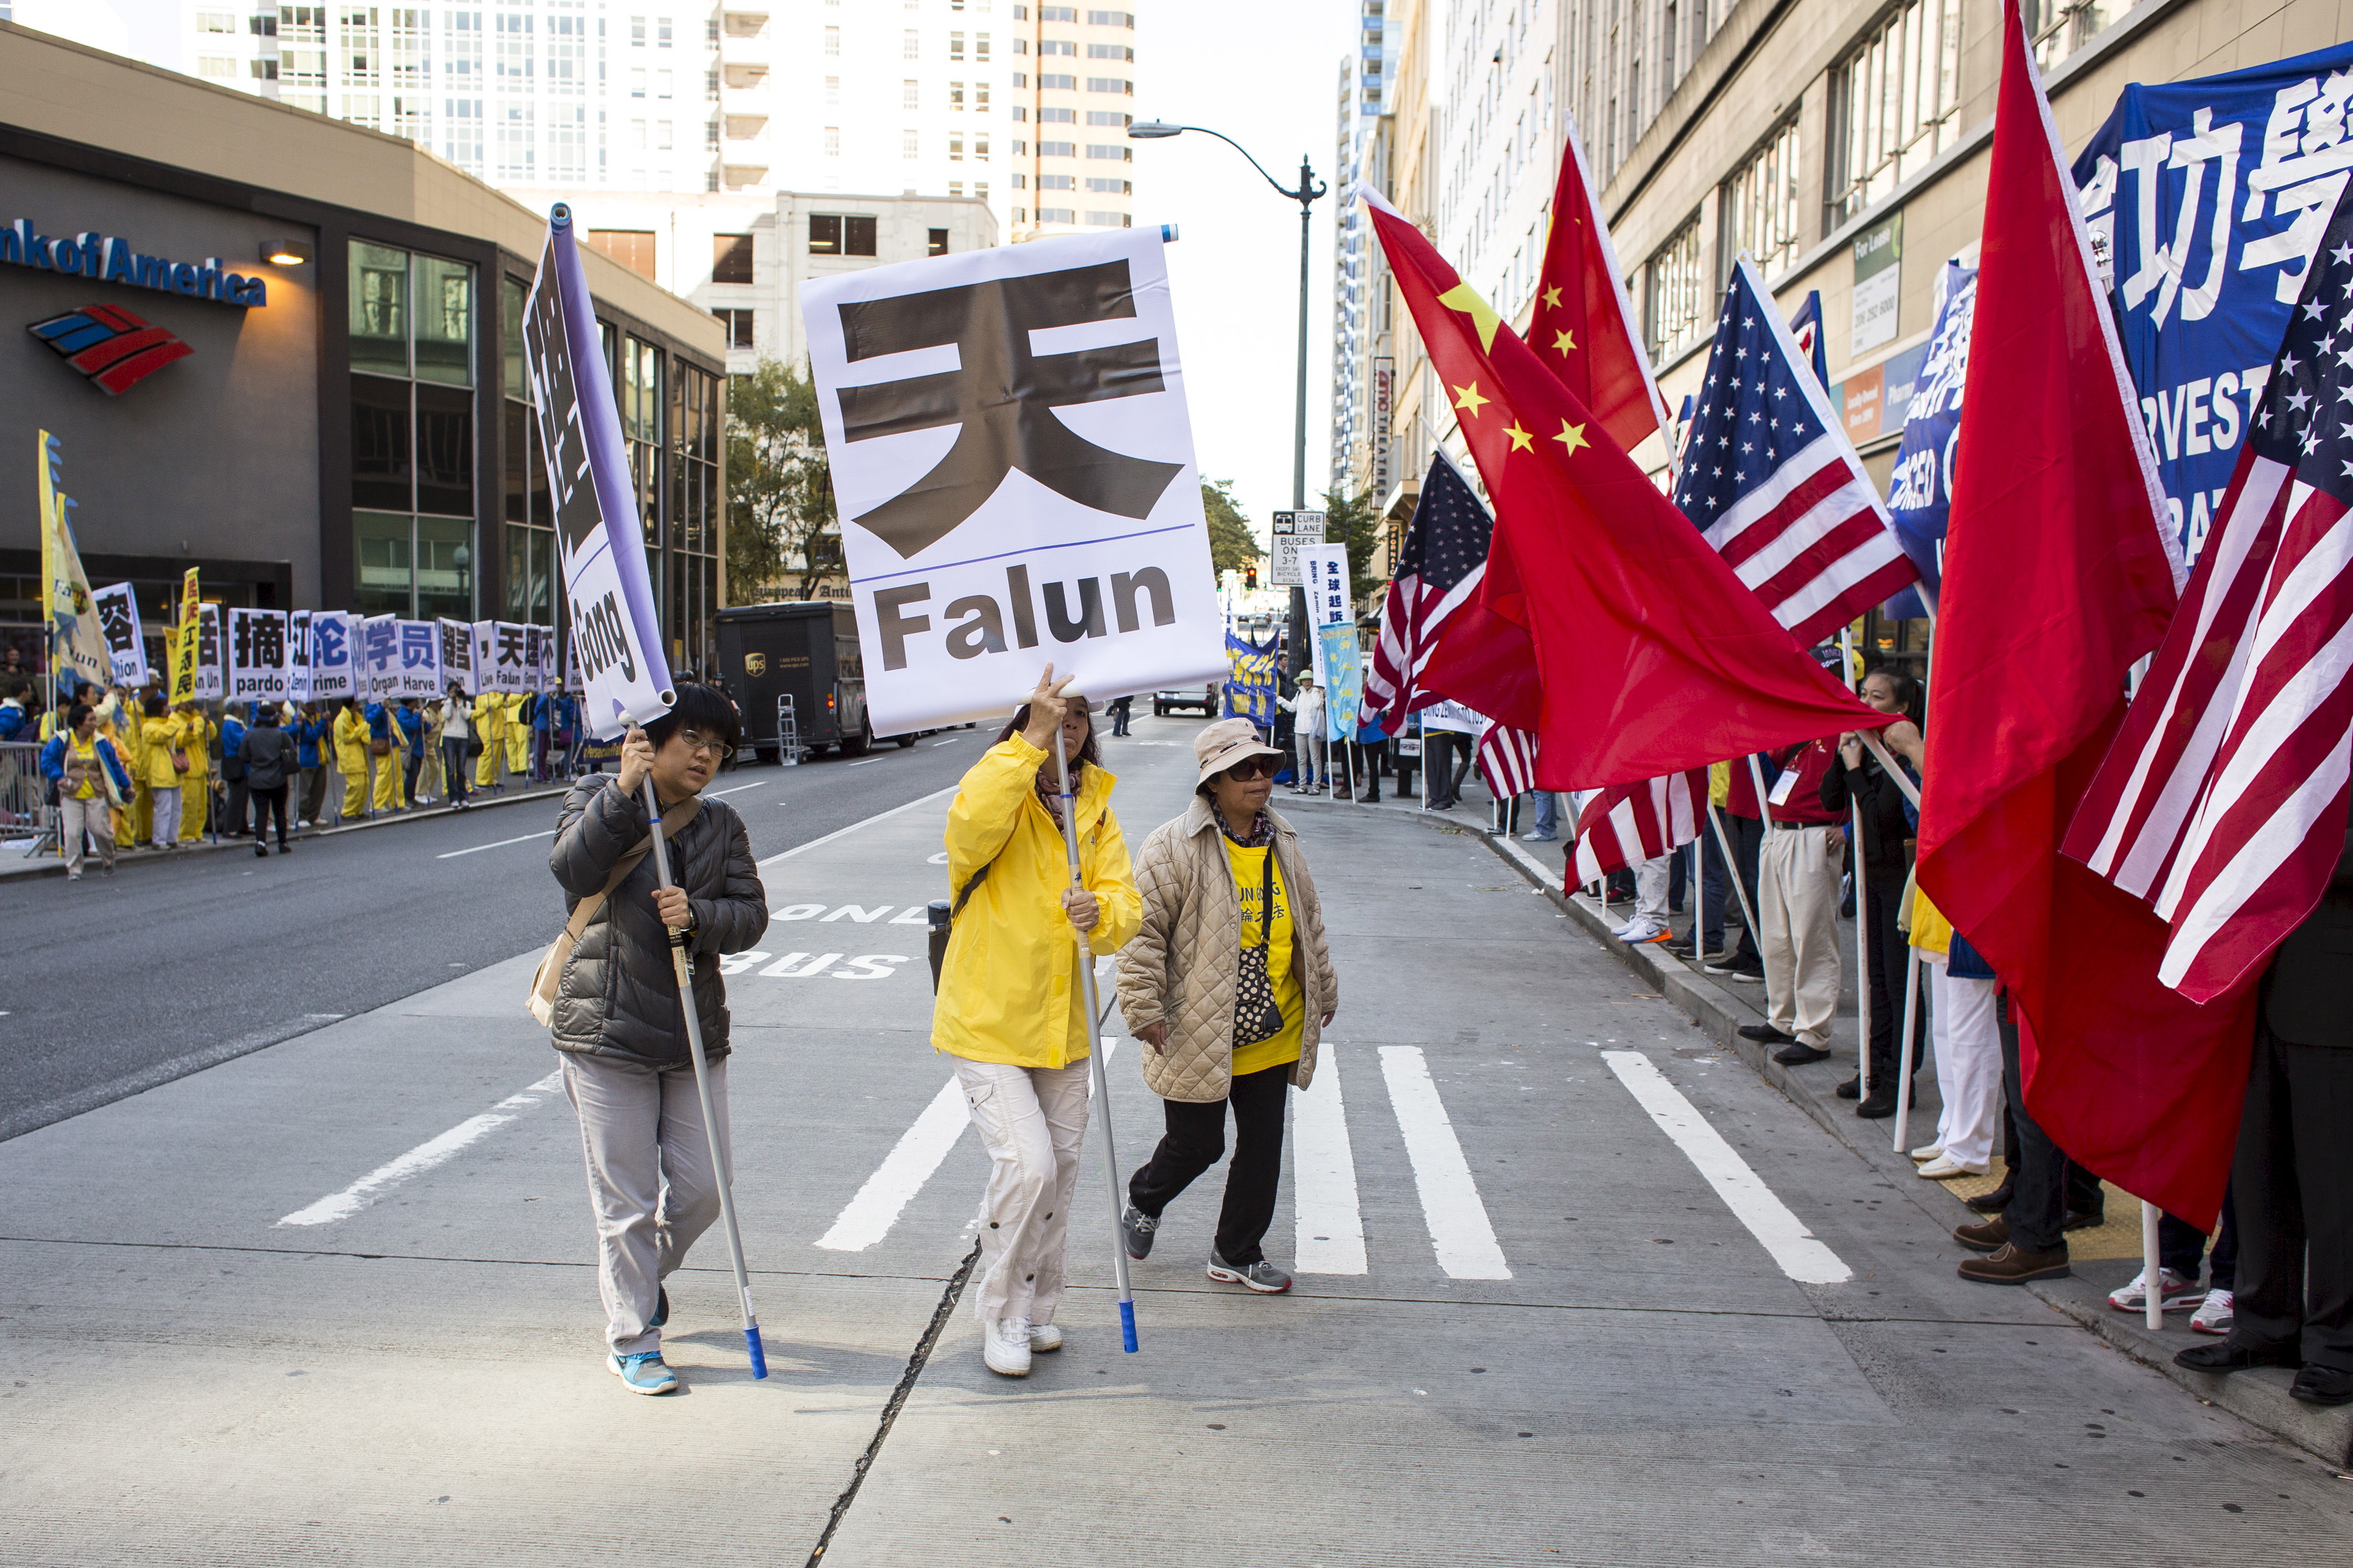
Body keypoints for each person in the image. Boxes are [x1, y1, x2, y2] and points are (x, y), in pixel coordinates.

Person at [547, 683, 768, 1396]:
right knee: (627, 1201)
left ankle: (643, 1280)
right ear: (655, 741)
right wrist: (621, 792)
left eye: (718, 748)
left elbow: (751, 915)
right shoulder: (595, 795)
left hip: (693, 1031)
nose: (706, 756)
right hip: (605, 1029)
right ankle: (633, 1338)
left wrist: (698, 914)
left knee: (706, 1190)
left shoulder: (721, 825)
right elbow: (571, 871)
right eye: (693, 741)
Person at [932, 667, 1140, 1379]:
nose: (1070, 722)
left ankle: (1034, 1307)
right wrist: (1031, 741)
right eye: (1057, 710)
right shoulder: (1002, 782)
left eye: (1080, 713)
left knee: (1060, 1176)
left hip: (1065, 1026)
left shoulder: (1097, 808)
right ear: (1027, 714)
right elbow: (968, 828)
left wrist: (1101, 915)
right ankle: (999, 1312)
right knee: (1028, 1167)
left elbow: (1124, 904)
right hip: (987, 1019)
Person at [1116, 717, 1339, 1297]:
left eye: (1267, 765)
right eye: (1244, 769)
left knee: (1263, 1148)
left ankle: (1237, 1250)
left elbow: (1308, 923)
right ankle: (1146, 1197)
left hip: (1274, 1022)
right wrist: (1143, 1006)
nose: (1260, 777)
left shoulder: (1283, 840)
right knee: (1198, 1144)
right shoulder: (1172, 846)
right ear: (1213, 781)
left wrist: (1326, 992)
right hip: (1198, 1025)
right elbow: (1142, 934)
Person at [2174, 825, 2353, 1406]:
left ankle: (2337, 1346)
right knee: (2259, 1173)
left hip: (2334, 987)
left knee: (2334, 1188)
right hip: (2254, 984)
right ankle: (2266, 1323)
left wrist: (2282, 842)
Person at [1822, 670, 1927, 1114]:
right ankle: (1875, 1065)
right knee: (1874, 980)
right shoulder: (1861, 750)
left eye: (1876, 697)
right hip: (1866, 878)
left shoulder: (1901, 759)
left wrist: (1855, 769)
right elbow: (1830, 798)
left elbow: (1880, 816)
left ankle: (1901, 1076)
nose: (1865, 701)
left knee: (1899, 982)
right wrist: (1843, 753)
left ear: (1899, 710)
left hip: (1897, 881)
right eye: (1862, 693)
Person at [1734, 738, 1845, 1067]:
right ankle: (1783, 1017)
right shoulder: (1805, 734)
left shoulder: (1847, 733)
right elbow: (1773, 761)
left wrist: (1849, 829)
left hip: (1814, 833)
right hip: (1780, 830)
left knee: (1813, 937)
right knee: (1776, 933)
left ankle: (1814, 1032)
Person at [40, 702, 129, 878]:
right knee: (73, 832)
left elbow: (114, 765)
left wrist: (126, 785)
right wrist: (59, 777)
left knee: (100, 831)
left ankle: (108, 860)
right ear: (79, 722)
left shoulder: (101, 742)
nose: (94, 723)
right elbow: (47, 760)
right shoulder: (62, 740)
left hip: (96, 794)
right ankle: (74, 869)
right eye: (90, 720)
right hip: (71, 795)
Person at [242, 704, 295, 856]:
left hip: (257, 779)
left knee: (261, 812)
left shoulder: (250, 735)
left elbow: (244, 756)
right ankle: (282, 843)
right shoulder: (281, 735)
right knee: (279, 811)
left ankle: (261, 843)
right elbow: (291, 753)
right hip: (278, 778)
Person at [139, 694, 188, 849]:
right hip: (159, 774)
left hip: (172, 773)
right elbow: (165, 733)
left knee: (176, 808)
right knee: (163, 809)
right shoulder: (149, 727)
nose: (169, 710)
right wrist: (174, 716)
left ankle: (172, 838)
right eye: (166, 707)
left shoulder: (165, 723)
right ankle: (159, 840)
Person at [1280, 674, 1327, 794]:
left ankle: (1316, 786)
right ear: (1301, 681)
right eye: (1305, 680)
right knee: (1301, 759)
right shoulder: (1299, 693)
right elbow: (1292, 708)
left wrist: (1317, 691)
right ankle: (1302, 785)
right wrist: (1278, 699)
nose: (1307, 682)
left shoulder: (1317, 692)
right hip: (1300, 729)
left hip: (1313, 730)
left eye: (1309, 680)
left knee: (1315, 759)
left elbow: (1318, 705)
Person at [176, 700, 214, 842]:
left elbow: (212, 734)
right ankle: (185, 834)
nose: (191, 707)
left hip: (200, 766)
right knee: (188, 804)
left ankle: (197, 832)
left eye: (192, 704)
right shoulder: (175, 719)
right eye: (187, 704)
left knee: (201, 805)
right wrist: (200, 720)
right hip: (188, 768)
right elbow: (187, 737)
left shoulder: (197, 717)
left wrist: (208, 723)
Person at [294, 701, 332, 826]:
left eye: (312, 703)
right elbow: (310, 736)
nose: (311, 706)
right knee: (305, 791)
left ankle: (314, 815)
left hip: (320, 756)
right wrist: (322, 723)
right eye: (308, 704)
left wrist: (327, 726)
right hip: (307, 758)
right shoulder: (300, 717)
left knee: (319, 790)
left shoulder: (319, 714)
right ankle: (302, 817)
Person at [333, 696, 371, 820]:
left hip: (359, 756)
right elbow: (346, 738)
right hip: (349, 758)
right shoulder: (341, 719)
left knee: (364, 785)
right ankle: (348, 811)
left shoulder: (356, 717)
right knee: (356, 785)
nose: (359, 705)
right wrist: (362, 729)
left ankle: (357, 809)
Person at [440, 683, 474, 808]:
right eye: (452, 691)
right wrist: (450, 700)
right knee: (450, 770)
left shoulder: (466, 703)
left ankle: (463, 797)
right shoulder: (446, 703)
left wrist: (460, 703)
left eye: (457, 691)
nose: (455, 693)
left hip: (462, 738)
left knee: (461, 769)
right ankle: (453, 798)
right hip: (449, 737)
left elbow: (467, 716)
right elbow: (446, 716)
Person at [219, 704, 249, 838]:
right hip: (236, 764)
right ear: (237, 709)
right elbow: (243, 740)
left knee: (242, 797)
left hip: (238, 764)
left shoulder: (234, 724)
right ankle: (230, 828)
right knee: (236, 797)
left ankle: (241, 825)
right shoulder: (232, 725)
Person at [396, 697, 427, 805]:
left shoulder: (414, 712)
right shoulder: (402, 713)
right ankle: (407, 797)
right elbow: (411, 727)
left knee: (416, 773)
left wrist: (424, 721)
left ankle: (411, 796)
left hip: (419, 747)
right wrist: (418, 715)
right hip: (410, 748)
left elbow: (426, 729)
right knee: (412, 774)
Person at [0, 678, 31, 742]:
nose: (31, 694)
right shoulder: (10, 712)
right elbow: (1, 731)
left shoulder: (18, 710)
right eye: (29, 691)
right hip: (8, 751)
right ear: (23, 693)